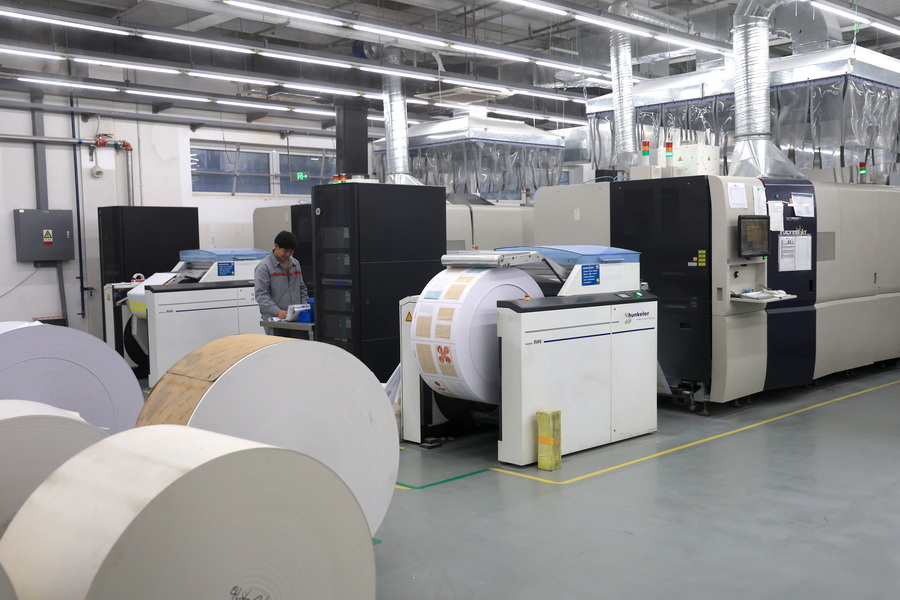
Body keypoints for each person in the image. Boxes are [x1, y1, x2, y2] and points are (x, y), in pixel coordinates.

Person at [255, 230, 309, 337]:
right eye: (285, 251)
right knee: (280, 346)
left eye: (291, 251)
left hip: (296, 319)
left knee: (300, 346)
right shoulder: (264, 267)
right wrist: (277, 311)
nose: (288, 254)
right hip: (275, 320)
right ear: (276, 246)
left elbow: (302, 288)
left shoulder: (295, 264)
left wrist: (304, 308)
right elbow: (261, 295)